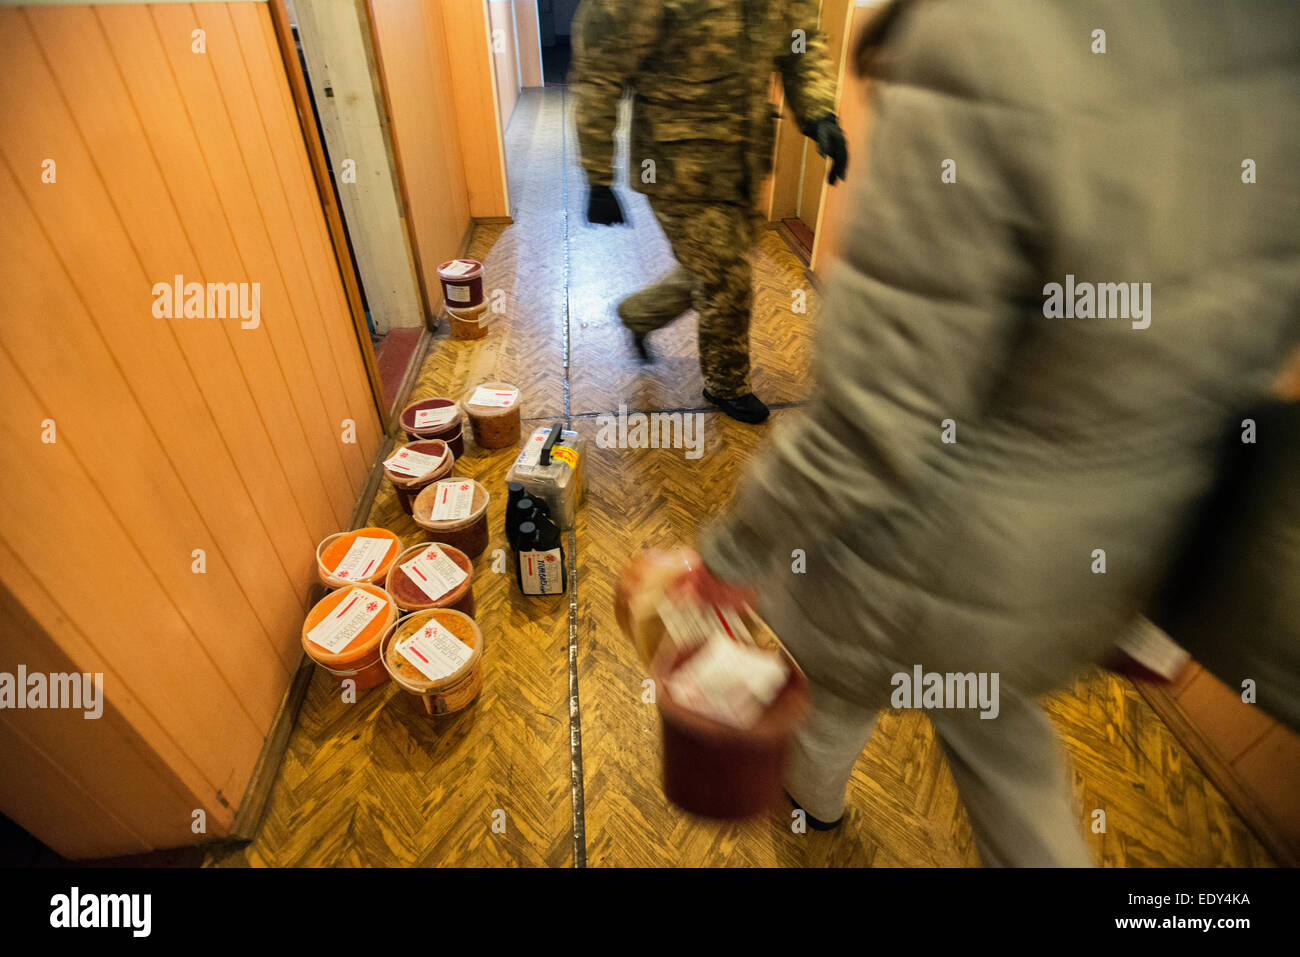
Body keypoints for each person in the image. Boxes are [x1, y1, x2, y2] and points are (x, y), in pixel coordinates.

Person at [674, 0, 1300, 865]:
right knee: (993, 723)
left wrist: (736, 551)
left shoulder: (991, 39)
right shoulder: (1271, 48)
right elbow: (1236, 374)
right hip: (1095, 557)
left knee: (839, 661)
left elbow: (876, 418)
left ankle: (814, 808)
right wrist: (1152, 622)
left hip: (933, 535)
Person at [570, 0, 848, 425]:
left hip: (744, 162)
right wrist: (597, 175)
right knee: (727, 279)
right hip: (675, 166)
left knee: (715, 265)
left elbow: (800, 47)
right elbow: (599, 76)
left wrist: (819, 113)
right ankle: (727, 383)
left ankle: (639, 313)